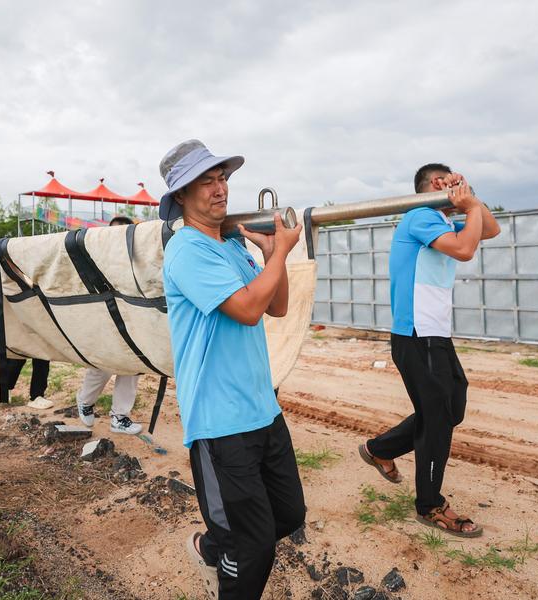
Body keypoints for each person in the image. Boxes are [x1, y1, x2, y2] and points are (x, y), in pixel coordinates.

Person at [160, 139, 306, 599]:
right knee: (254, 547)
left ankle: (211, 547)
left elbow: (276, 306)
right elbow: (245, 309)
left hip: (262, 408)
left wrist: (268, 256)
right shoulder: (187, 250)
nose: (219, 188)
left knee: (289, 516)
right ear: (182, 197)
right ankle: (226, 560)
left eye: (222, 177)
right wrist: (281, 252)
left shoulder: (230, 246)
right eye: (206, 181)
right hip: (221, 421)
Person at [359, 164, 500, 538]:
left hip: (436, 334)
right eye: (449, 183)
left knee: (451, 407)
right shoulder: (420, 216)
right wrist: (467, 205)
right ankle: (430, 505)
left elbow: (490, 228)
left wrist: (471, 200)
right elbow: (466, 250)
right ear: (436, 186)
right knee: (437, 418)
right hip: (415, 335)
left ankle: (379, 449)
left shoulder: (441, 221)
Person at [76, 215, 143, 435]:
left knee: (133, 366)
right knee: (102, 366)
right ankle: (85, 401)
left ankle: (119, 416)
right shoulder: (96, 257)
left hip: (133, 321)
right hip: (104, 321)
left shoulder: (138, 260)